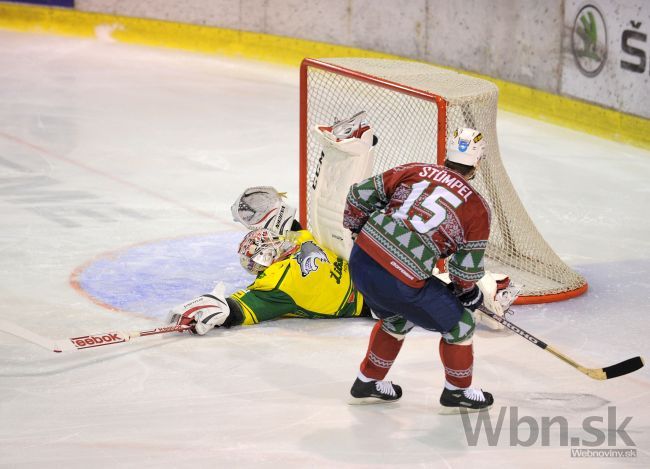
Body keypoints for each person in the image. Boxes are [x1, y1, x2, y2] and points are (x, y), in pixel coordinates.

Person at [343, 127, 495, 412]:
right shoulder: (477, 208)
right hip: (399, 281)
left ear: (447, 155)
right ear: (477, 163)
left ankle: (368, 381)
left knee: (397, 318)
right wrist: (467, 293)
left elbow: (358, 195)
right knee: (460, 324)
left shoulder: (415, 169)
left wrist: (357, 228)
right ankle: (458, 391)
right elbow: (464, 269)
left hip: (361, 261)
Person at [167, 197, 372, 334]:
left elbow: (241, 309)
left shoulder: (275, 285)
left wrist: (217, 309)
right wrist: (274, 212)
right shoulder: (301, 240)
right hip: (375, 275)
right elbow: (291, 227)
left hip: (371, 306)